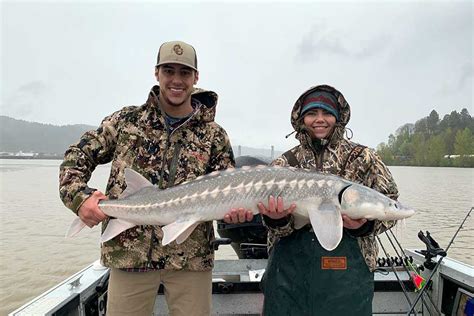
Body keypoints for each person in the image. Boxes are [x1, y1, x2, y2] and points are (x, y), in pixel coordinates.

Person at [59, 40, 249, 316]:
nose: (176, 80)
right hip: (130, 255)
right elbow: (76, 157)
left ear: (196, 77)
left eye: (184, 73)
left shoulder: (214, 135)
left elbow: (228, 192)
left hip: (190, 260)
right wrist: (81, 198)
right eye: (168, 71)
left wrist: (237, 214)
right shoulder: (127, 121)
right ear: (156, 73)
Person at [257, 84, 399, 316]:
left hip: (348, 277)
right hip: (290, 275)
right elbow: (275, 231)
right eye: (312, 113)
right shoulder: (284, 164)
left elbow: (390, 203)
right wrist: (277, 220)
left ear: (338, 117)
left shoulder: (363, 158)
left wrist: (365, 225)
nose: (319, 120)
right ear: (301, 120)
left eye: (327, 113)